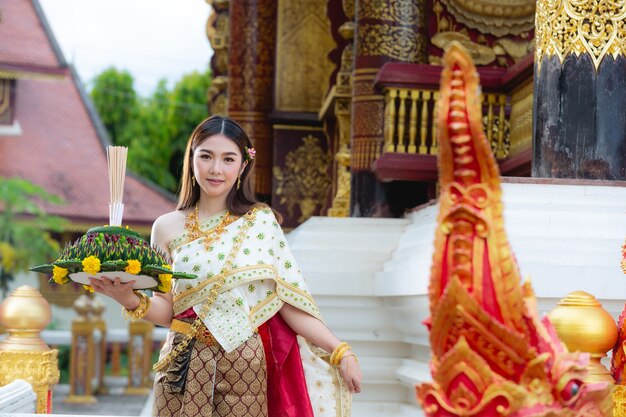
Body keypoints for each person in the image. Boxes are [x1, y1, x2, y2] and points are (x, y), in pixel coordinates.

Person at [88, 115, 362, 417]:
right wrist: (126, 298)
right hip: (182, 364)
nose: (216, 169)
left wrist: (340, 350)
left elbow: (288, 303)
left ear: (243, 166)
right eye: (206, 156)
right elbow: (167, 309)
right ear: (192, 159)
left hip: (244, 368)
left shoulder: (260, 223)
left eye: (228, 159)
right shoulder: (165, 228)